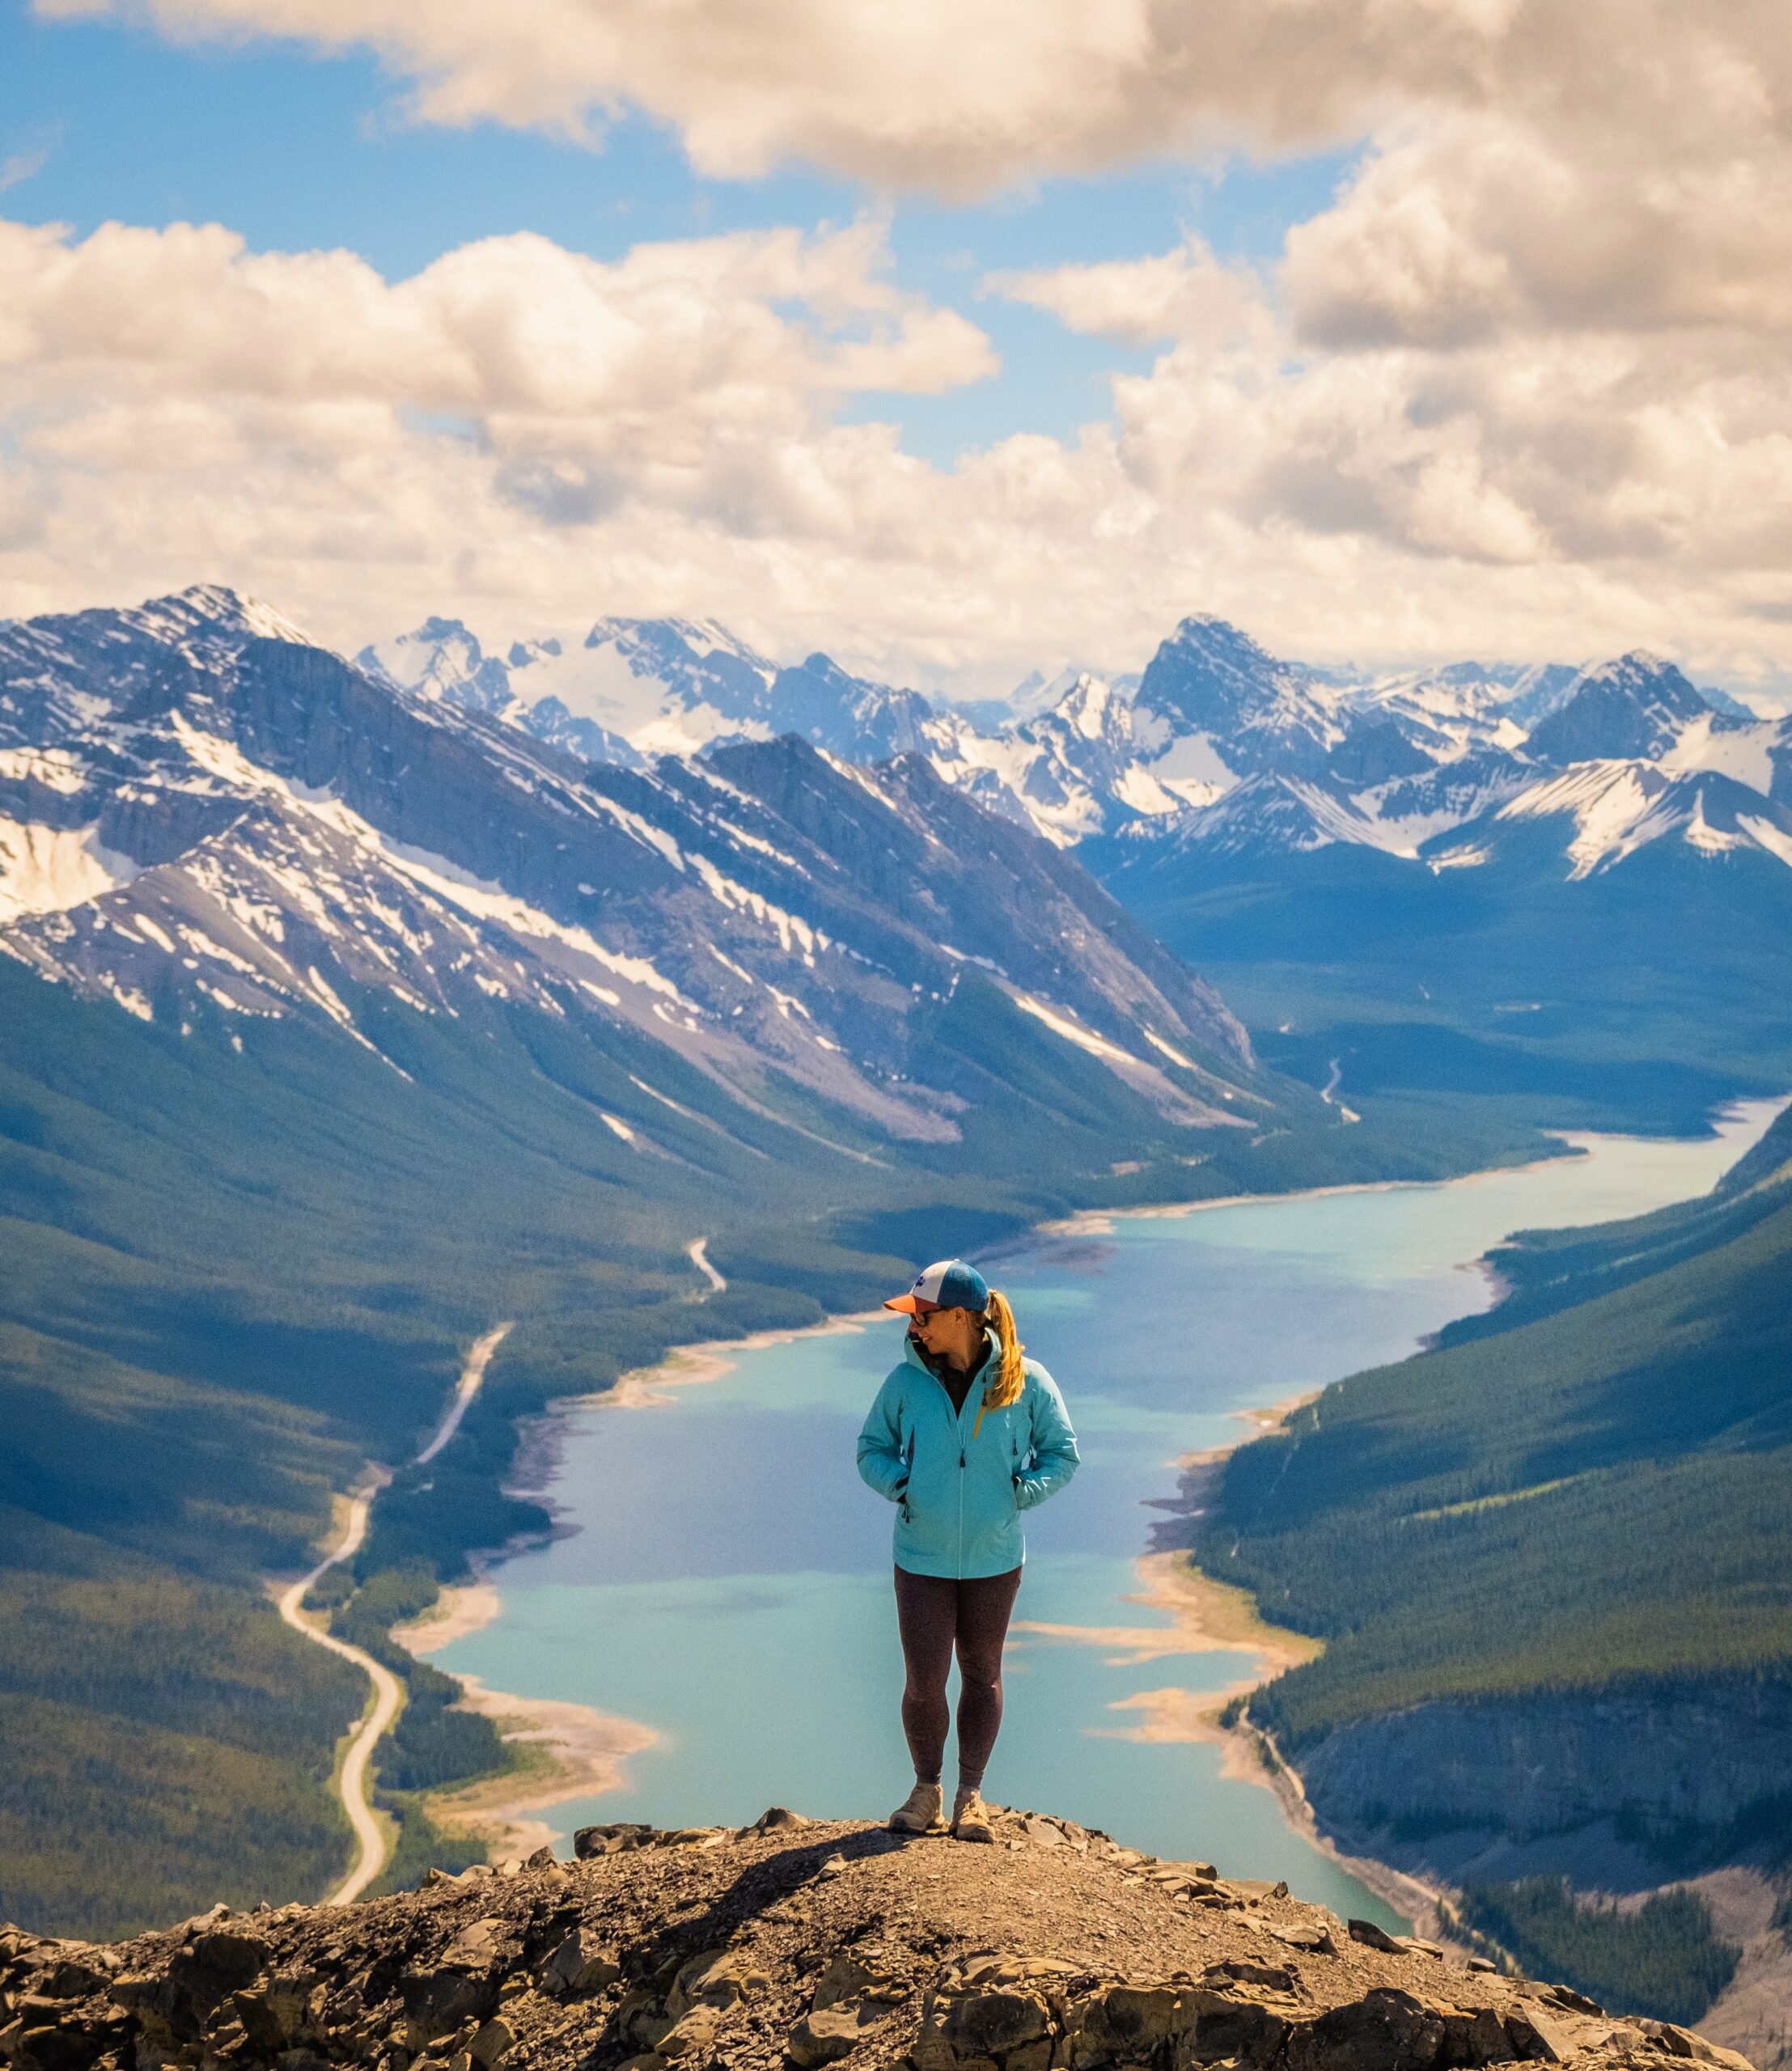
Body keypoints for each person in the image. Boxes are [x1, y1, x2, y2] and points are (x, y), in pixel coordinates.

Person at [856, 1258, 1078, 1842]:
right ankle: (925, 1792)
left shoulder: (1025, 1380)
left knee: (982, 1676)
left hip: (994, 1558)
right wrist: (901, 1487)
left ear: (960, 1317)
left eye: (924, 1317)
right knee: (924, 1682)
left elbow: (1062, 1454)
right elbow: (870, 1449)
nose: (914, 1328)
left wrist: (1019, 1494)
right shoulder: (905, 1383)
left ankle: (970, 1798)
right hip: (921, 1556)